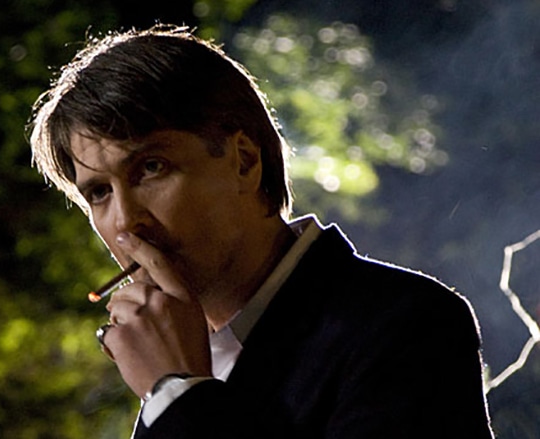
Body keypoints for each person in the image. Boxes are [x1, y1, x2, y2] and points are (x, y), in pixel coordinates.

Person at [28, 25, 495, 438]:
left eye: (152, 168)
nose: (127, 221)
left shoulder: (405, 324)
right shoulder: (178, 354)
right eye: (99, 193)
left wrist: (178, 393)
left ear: (244, 162)